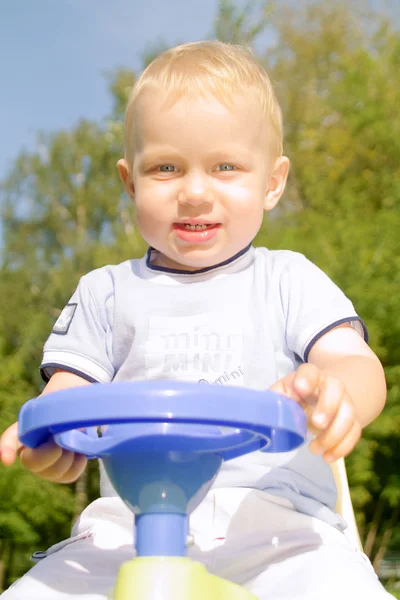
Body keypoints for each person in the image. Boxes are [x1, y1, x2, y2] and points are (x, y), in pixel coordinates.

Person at [0, 41, 393, 600]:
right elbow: (70, 399)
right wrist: (50, 439)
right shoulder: (105, 292)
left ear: (273, 182)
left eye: (225, 167)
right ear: (131, 181)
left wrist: (338, 394)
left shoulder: (288, 279)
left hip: (279, 526)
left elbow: (354, 362)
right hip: (125, 531)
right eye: (166, 167)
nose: (194, 191)